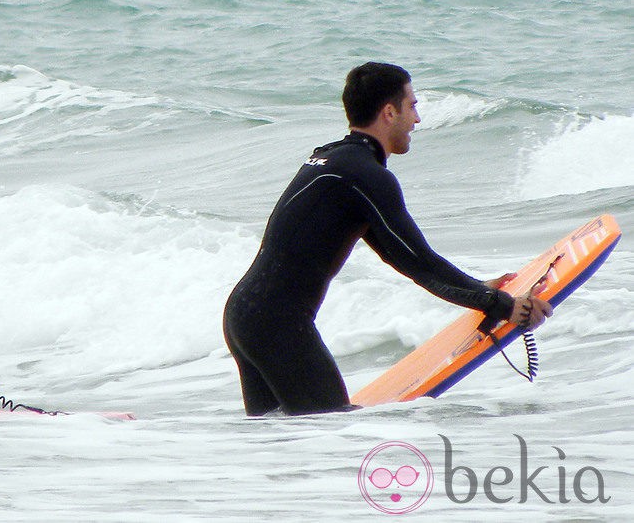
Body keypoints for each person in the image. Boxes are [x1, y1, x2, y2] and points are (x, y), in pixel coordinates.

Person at [223, 62, 552, 416]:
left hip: (245, 315)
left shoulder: (333, 158)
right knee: (330, 432)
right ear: (389, 112)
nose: (417, 120)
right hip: (276, 324)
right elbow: (419, 261)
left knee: (278, 443)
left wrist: (478, 289)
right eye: (412, 106)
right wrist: (502, 305)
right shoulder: (365, 176)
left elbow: (399, 255)